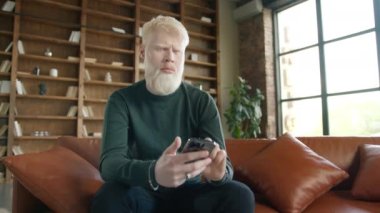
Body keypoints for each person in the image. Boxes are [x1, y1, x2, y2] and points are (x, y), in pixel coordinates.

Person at [91, 15, 255, 213]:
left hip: (191, 193)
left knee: (240, 194)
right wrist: (154, 173)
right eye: (161, 48)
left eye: (177, 51)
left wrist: (219, 175)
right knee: (108, 196)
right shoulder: (121, 100)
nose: (170, 57)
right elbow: (109, 165)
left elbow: (225, 166)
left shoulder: (202, 101)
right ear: (143, 52)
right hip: (142, 190)